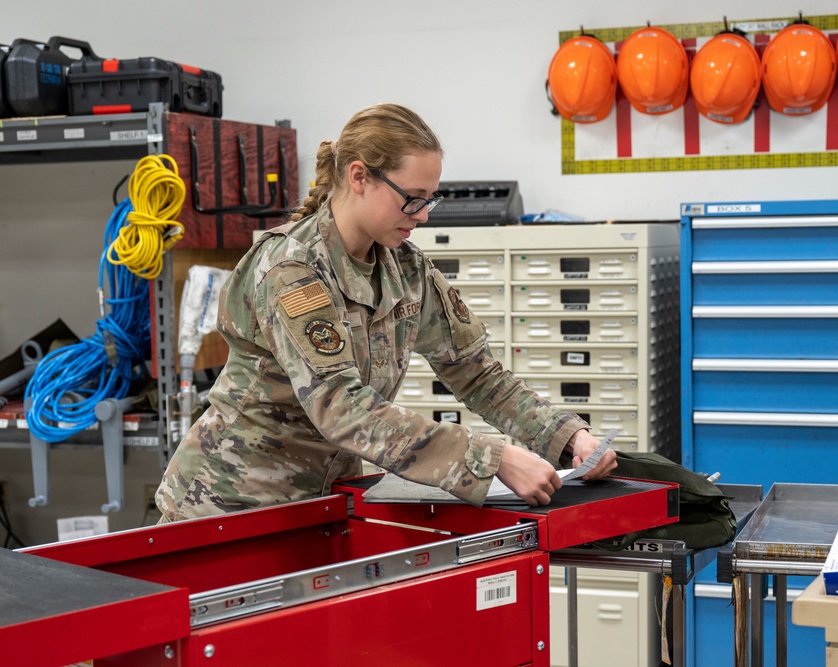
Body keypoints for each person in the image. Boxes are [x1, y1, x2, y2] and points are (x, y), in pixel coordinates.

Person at [155, 103, 616, 522]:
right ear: (359, 177)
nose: (423, 216)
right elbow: (342, 406)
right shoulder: (291, 267)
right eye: (412, 198)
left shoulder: (405, 268)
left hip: (322, 505)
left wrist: (568, 438)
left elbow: (478, 375)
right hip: (229, 504)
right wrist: (490, 459)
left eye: (429, 200)